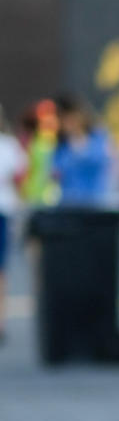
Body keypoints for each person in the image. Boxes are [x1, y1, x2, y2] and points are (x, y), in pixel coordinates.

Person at [52, 95, 114, 205]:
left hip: (95, 204)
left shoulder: (98, 137)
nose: (66, 124)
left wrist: (80, 147)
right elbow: (56, 170)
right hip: (68, 205)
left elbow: (100, 161)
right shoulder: (60, 145)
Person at [0, 108, 27, 342]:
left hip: (3, 211)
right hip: (5, 210)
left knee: (1, 271)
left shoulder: (8, 145)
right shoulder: (9, 146)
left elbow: (20, 177)